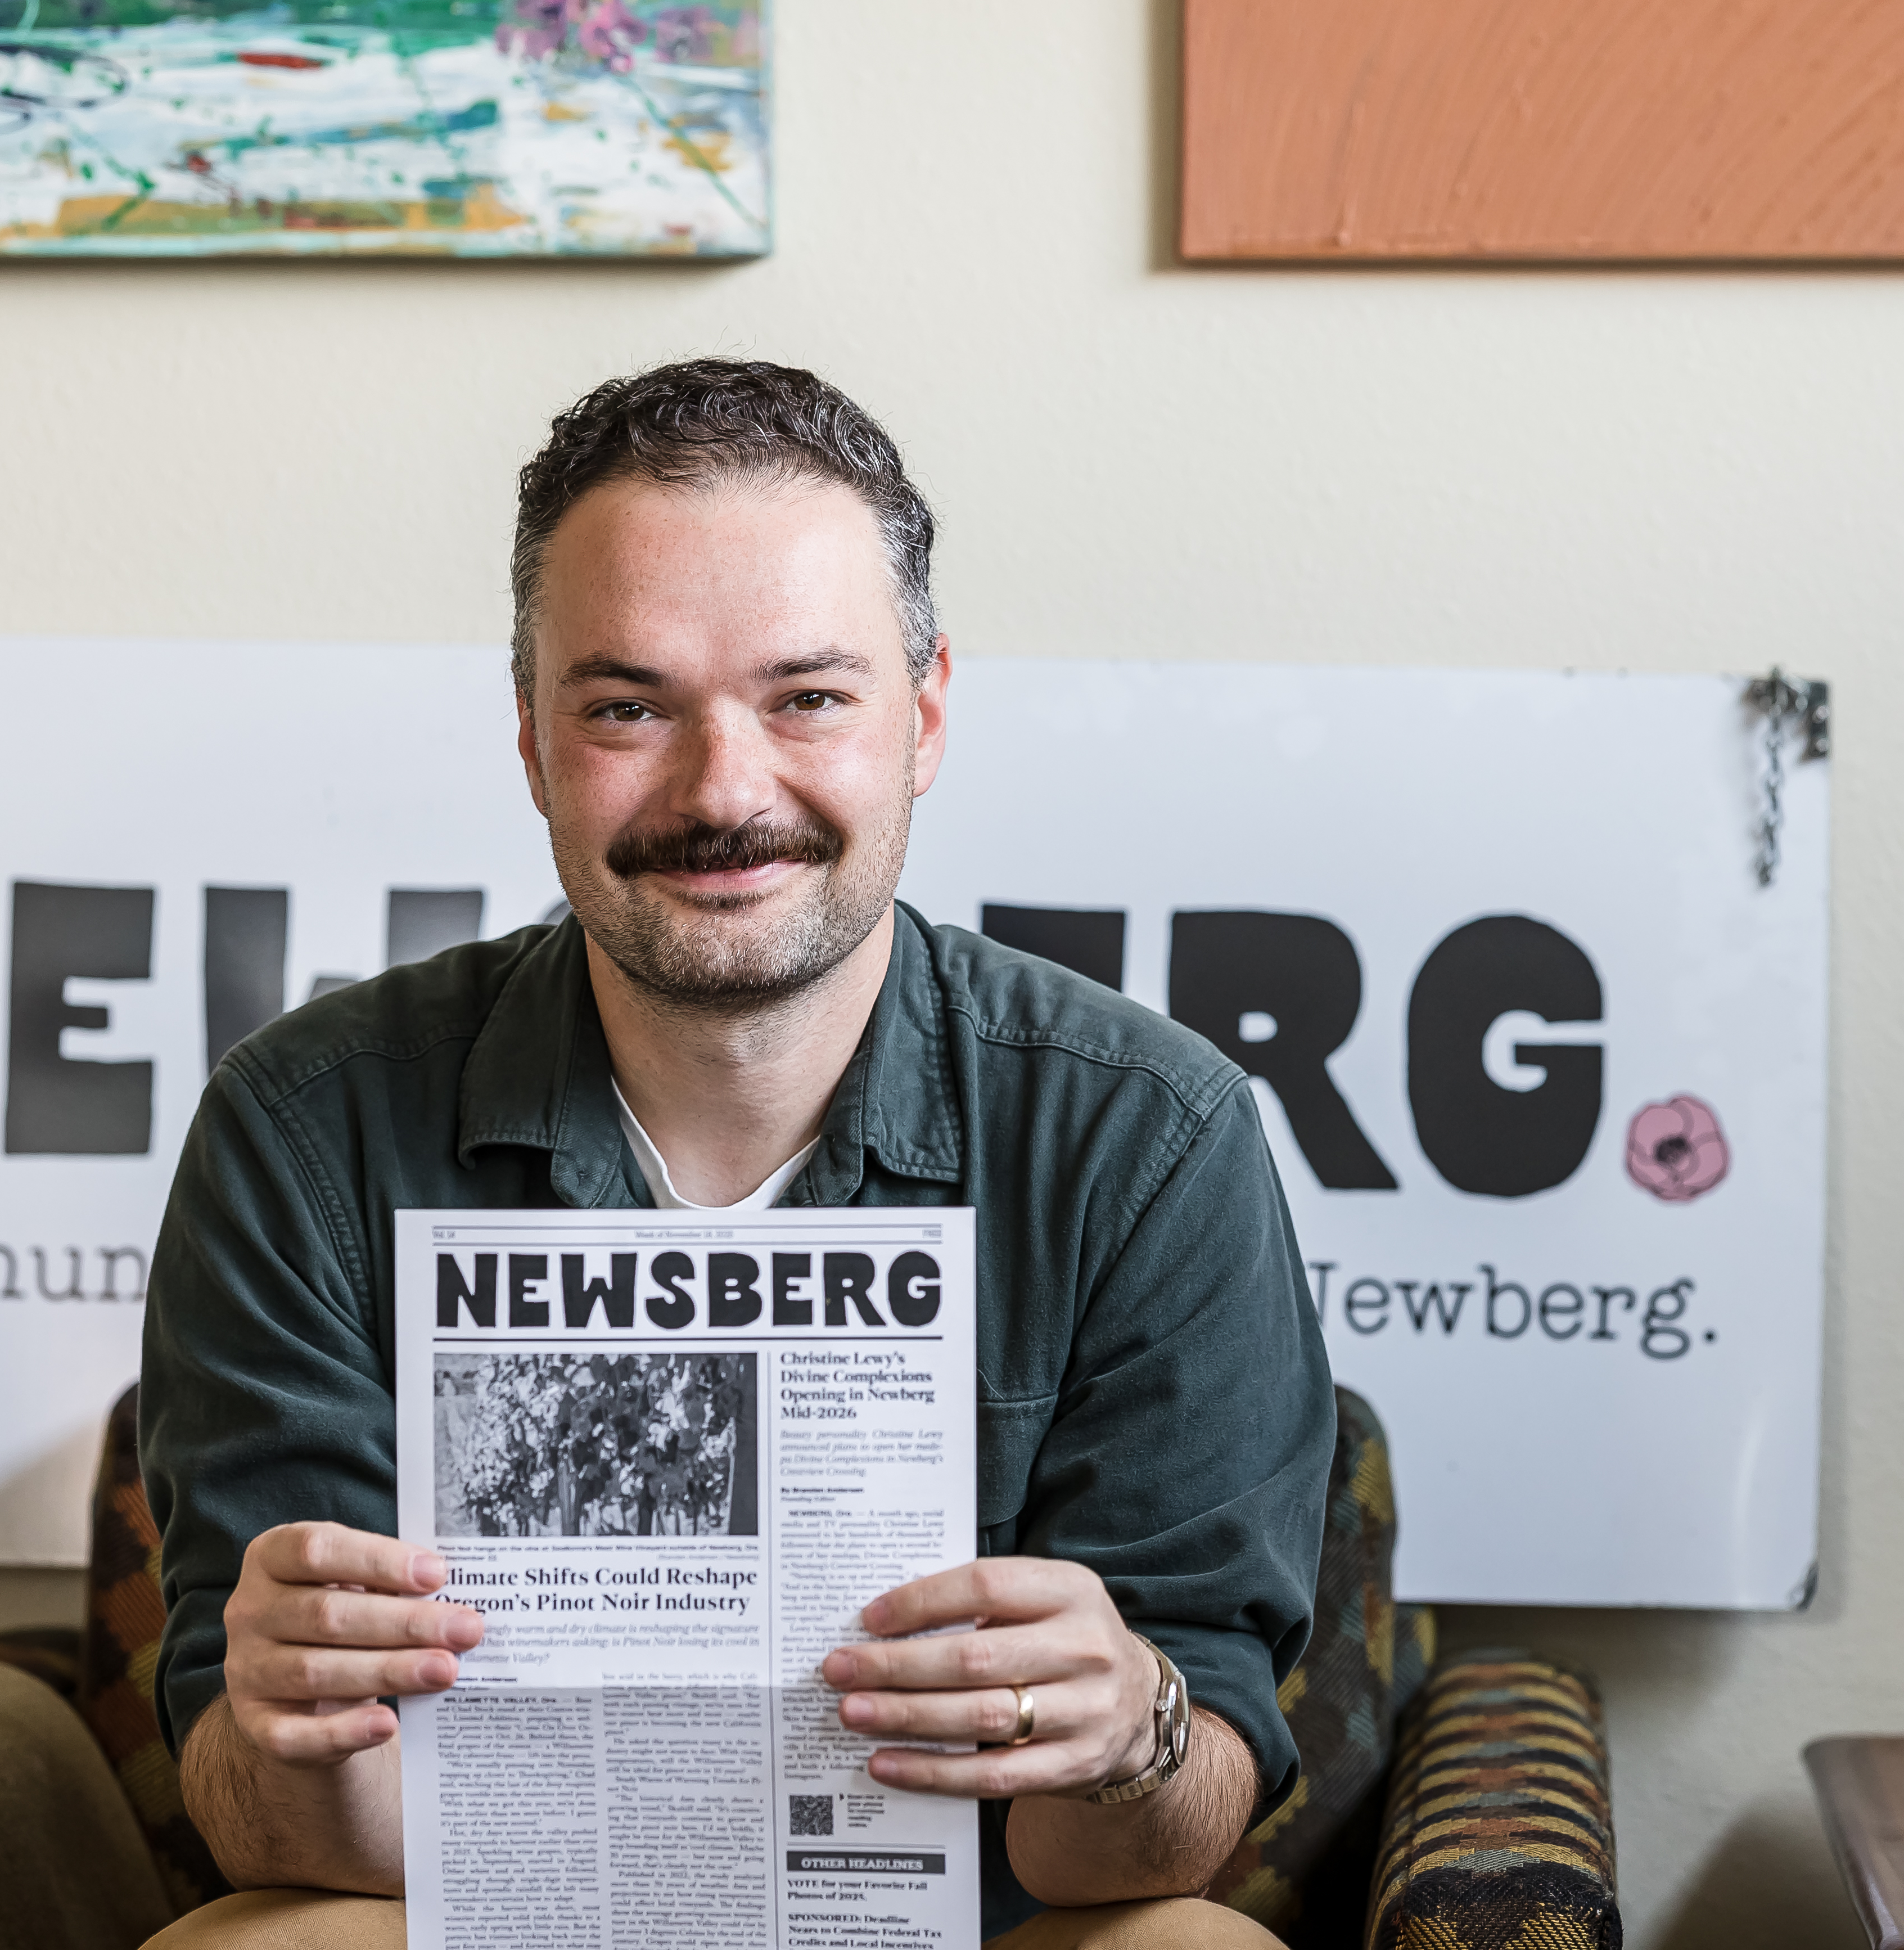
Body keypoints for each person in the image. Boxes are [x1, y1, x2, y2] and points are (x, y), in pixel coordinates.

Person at [138, 359, 1334, 1948]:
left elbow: (1154, 1851)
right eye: (629, 708)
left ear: (924, 716)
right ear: (532, 739)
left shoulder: (1149, 1138)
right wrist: (295, 1718)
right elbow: (281, 1839)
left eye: (807, 698)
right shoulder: (305, 1129)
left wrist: (1135, 1728)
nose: (724, 791)